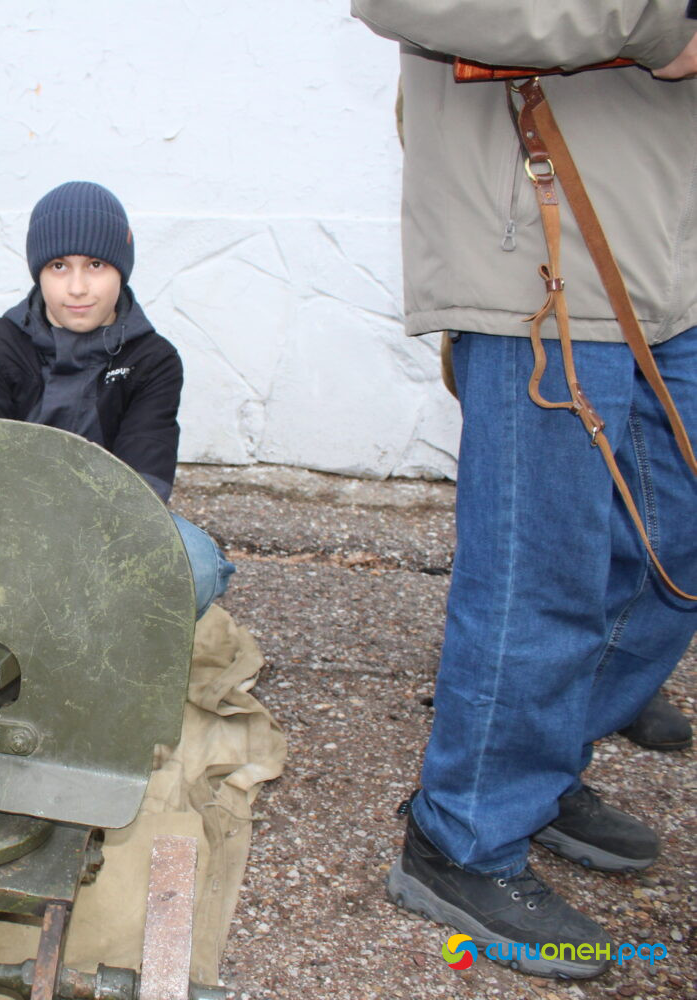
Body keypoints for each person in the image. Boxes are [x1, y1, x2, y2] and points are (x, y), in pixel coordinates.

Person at [354, 0, 697, 979]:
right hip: (542, 247)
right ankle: (466, 833)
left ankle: (539, 764)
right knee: (540, 573)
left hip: (671, 244)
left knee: (675, 542)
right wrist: (659, 21)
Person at [0, 181, 234, 619]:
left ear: (121, 269)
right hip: (10, 525)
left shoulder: (154, 359)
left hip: (108, 534)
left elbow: (142, 488)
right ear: (38, 272)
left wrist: (69, 577)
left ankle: (94, 632)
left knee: (197, 567)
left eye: (95, 265)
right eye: (59, 266)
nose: (77, 287)